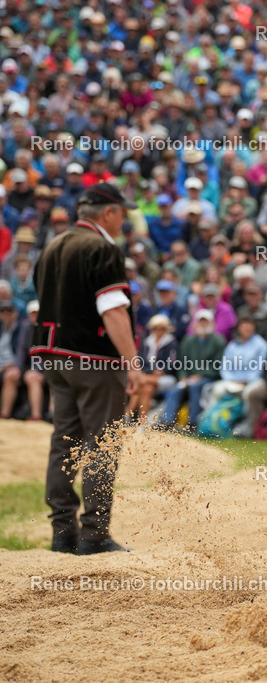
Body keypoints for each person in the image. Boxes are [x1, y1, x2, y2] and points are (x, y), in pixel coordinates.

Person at [29, 182, 142, 554]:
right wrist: (133, 363)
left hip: (53, 357)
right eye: (122, 214)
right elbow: (112, 310)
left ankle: (62, 532)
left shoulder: (52, 245)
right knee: (103, 443)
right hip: (93, 360)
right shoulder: (102, 248)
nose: (123, 221)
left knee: (64, 442)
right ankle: (94, 534)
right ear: (108, 214)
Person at [155, 309, 226, 430]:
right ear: (196, 324)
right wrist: (183, 377)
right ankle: (166, 422)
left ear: (212, 324)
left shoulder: (218, 341)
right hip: (188, 378)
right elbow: (181, 363)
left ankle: (193, 423)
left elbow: (217, 366)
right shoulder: (188, 340)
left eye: (206, 322)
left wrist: (200, 375)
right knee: (175, 390)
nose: (203, 325)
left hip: (208, 378)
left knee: (195, 387)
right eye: (200, 322)